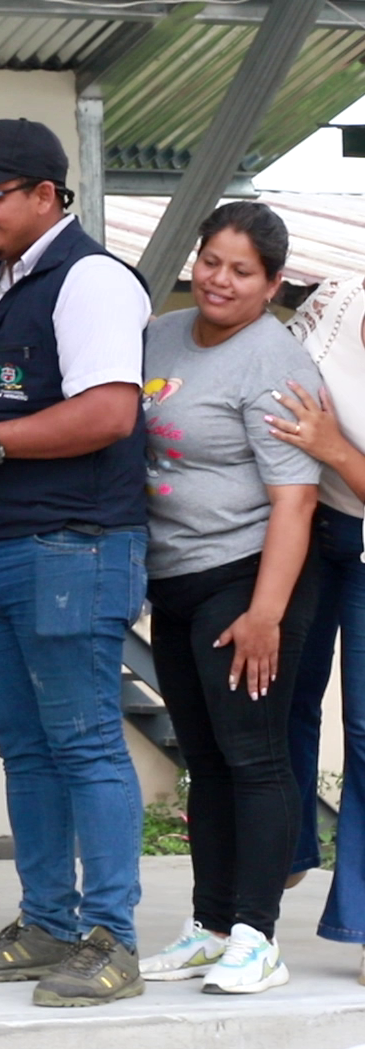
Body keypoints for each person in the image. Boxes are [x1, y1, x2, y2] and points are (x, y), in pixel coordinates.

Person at [0, 118, 152, 1007]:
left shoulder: (92, 279)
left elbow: (108, 414)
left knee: (85, 742)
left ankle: (112, 939)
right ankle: (48, 922)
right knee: (25, 748)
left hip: (72, 547)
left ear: (48, 195)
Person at [133, 202, 320, 995]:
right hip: (176, 576)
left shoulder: (274, 361)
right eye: (211, 260)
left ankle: (258, 938)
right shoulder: (164, 336)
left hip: (247, 576)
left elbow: (296, 500)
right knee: (204, 760)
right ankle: (211, 927)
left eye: (242, 271)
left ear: (272, 285)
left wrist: (266, 614)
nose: (219, 280)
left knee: (254, 757)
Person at [275, 272, 365, 977]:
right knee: (278, 699)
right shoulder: (337, 299)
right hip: (307, 523)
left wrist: (334, 448)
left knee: (364, 732)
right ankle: (285, 849)